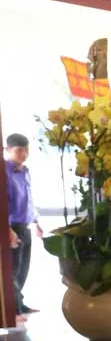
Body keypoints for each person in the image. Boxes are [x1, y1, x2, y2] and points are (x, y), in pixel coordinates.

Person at [5, 133, 42, 316]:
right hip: (12, 227)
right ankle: (13, 310)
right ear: (7, 150)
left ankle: (20, 304)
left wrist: (36, 222)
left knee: (23, 268)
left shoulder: (25, 170)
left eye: (26, 150)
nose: (24, 154)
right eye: (19, 150)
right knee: (12, 270)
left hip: (25, 225)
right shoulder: (4, 171)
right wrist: (8, 229)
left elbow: (28, 199)